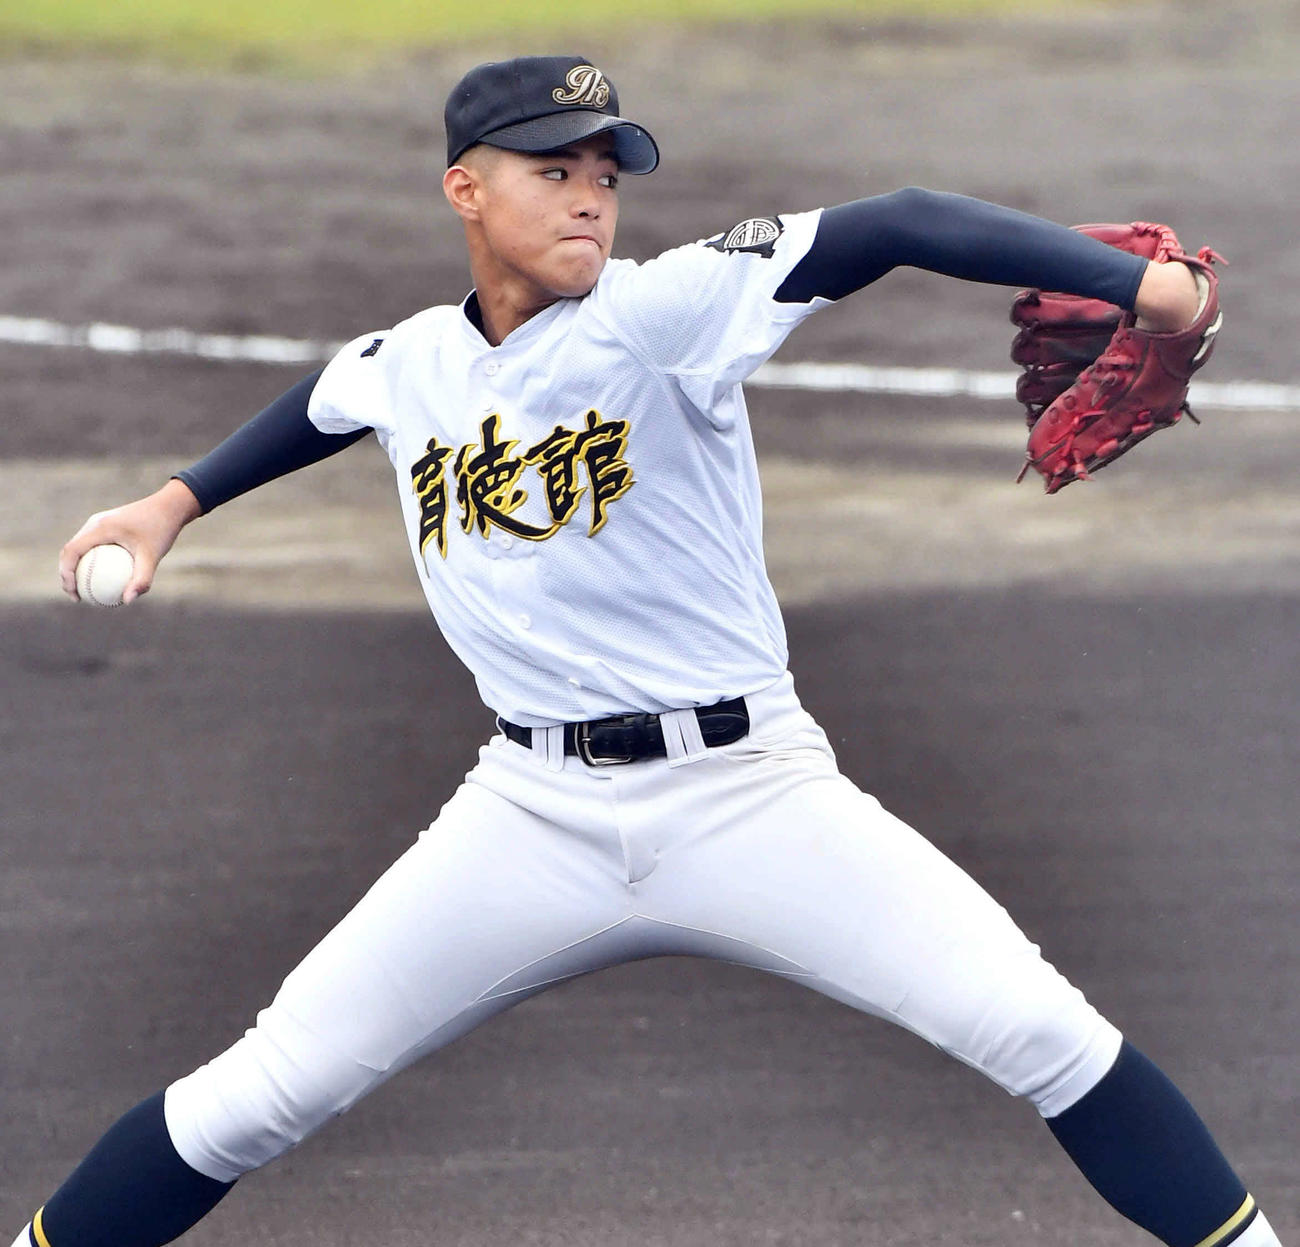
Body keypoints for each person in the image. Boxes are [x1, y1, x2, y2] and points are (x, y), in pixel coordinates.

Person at [18, 53, 1281, 1247]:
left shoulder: (668, 308)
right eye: (551, 170)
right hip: (528, 812)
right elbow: (327, 401)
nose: (589, 200)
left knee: (1040, 1030)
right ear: (465, 186)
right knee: (255, 1094)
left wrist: (1146, 291)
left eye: (606, 176)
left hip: (750, 792)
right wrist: (171, 502)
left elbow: (894, 219)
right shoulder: (411, 363)